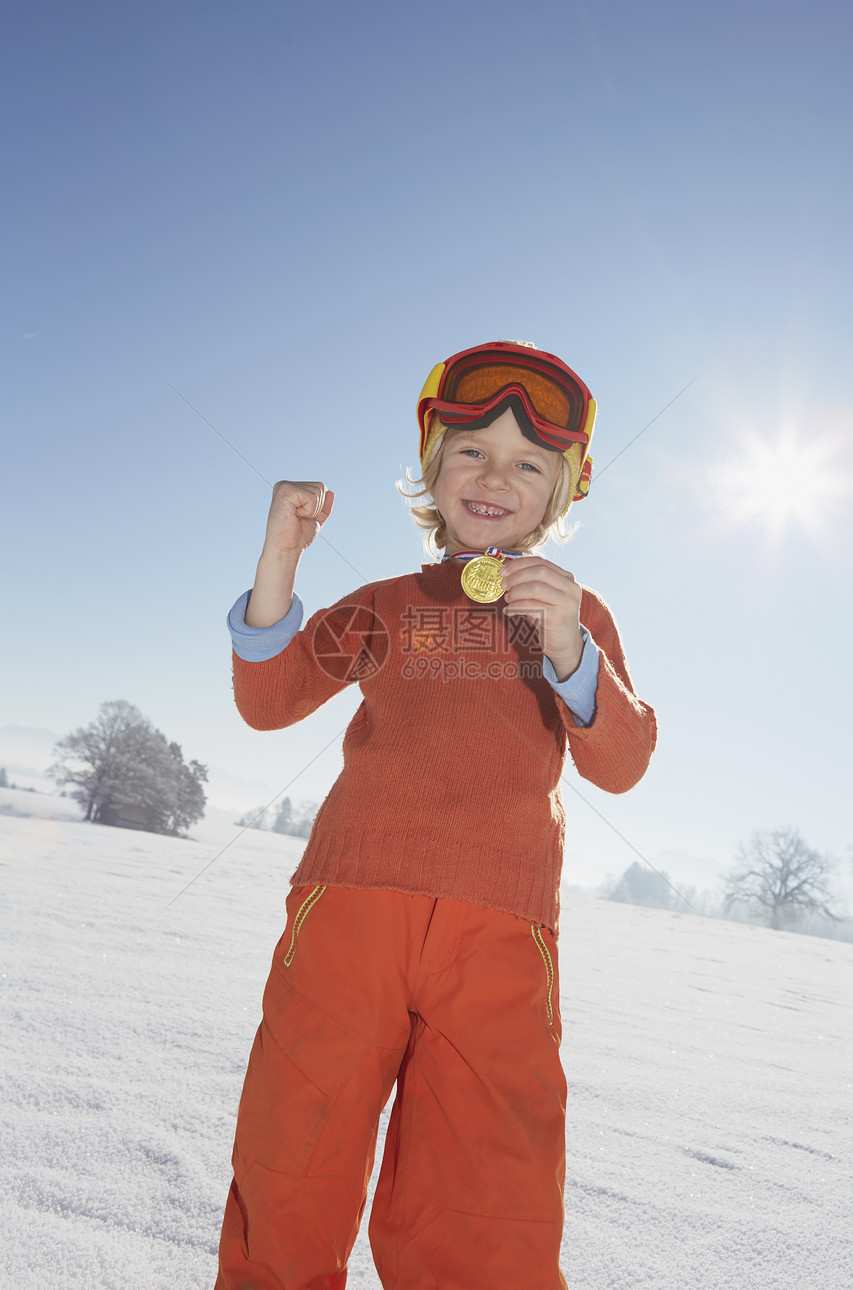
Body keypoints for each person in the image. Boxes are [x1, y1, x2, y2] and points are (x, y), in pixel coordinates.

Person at [215, 341, 658, 1290]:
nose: (496, 477)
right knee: (295, 1155)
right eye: (472, 452)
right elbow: (270, 700)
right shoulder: (387, 605)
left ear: (559, 495)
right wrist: (280, 561)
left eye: (529, 464)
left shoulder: (576, 615)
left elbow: (621, 765)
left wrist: (573, 649)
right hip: (347, 914)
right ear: (432, 469)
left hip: (500, 934)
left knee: (486, 1193)